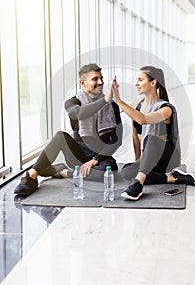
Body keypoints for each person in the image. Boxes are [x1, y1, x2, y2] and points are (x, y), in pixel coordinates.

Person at [14, 63, 122, 196]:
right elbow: (78, 114)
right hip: (78, 152)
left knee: (110, 170)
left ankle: (63, 172)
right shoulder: (73, 102)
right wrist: (104, 100)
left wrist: (95, 160)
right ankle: (32, 176)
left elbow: (117, 141)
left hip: (100, 155)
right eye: (95, 79)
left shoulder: (112, 106)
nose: (100, 82)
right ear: (83, 82)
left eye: (102, 78)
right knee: (60, 136)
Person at [112, 65, 195, 201]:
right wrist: (139, 161)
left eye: (140, 80)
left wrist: (118, 100)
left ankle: (138, 184)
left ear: (153, 82)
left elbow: (144, 120)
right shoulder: (137, 106)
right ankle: (173, 178)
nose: (136, 84)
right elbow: (136, 136)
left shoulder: (165, 108)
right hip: (150, 158)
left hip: (167, 158)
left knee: (151, 138)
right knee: (127, 171)